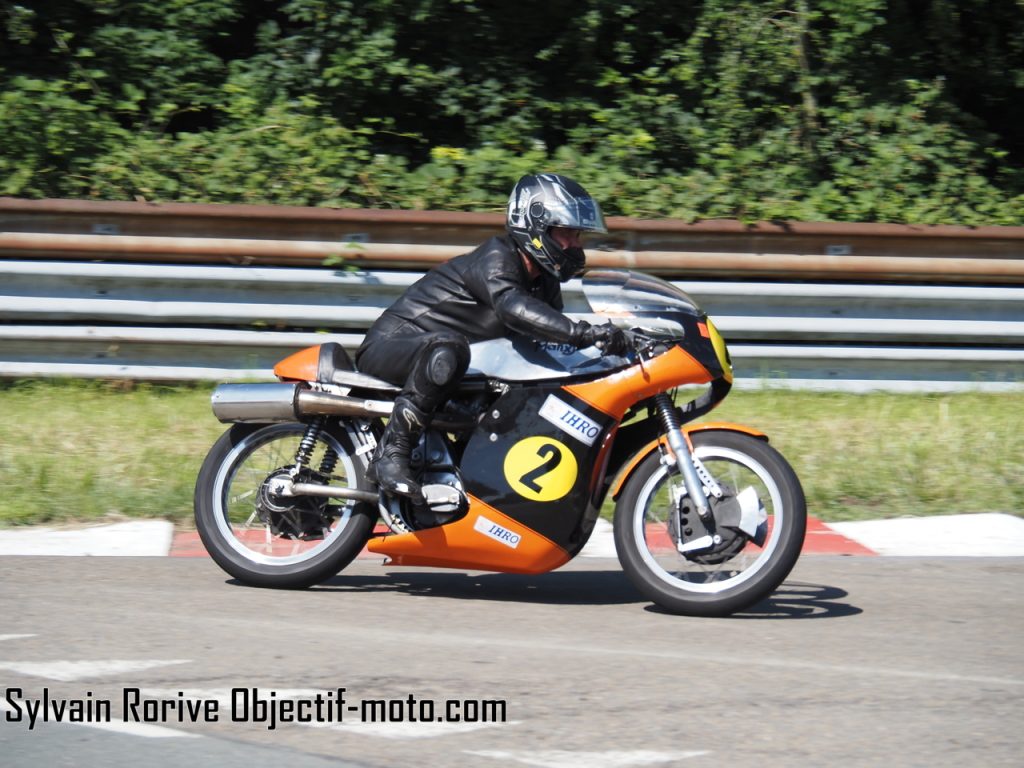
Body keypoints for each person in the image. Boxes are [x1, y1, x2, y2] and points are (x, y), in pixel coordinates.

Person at [355, 173, 627, 500]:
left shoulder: (544, 281)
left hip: (454, 365)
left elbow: (548, 342)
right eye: (567, 233)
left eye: (577, 235)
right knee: (447, 349)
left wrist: (618, 346)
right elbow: (513, 308)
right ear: (536, 225)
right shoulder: (498, 257)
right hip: (392, 348)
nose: (575, 245)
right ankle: (391, 454)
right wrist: (584, 333)